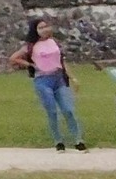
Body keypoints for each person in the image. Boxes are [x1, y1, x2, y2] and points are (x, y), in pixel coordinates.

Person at [10, 19, 85, 152]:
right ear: (35, 30)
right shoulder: (31, 46)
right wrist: (31, 65)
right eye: (41, 27)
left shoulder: (54, 42)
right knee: (52, 112)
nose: (45, 29)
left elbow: (61, 61)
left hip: (58, 78)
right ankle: (58, 141)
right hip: (43, 80)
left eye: (46, 26)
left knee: (68, 110)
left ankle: (78, 140)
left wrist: (72, 77)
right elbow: (13, 58)